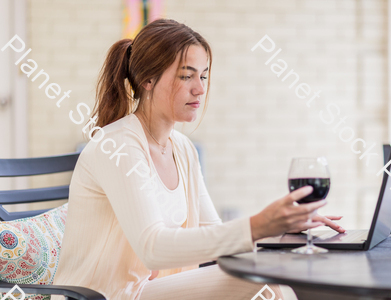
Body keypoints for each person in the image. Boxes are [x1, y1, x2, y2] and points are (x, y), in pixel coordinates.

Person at [50, 18, 345, 300]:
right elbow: (152, 248)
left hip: (152, 291)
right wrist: (259, 225)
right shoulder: (116, 145)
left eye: (203, 76)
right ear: (147, 79)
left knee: (269, 277)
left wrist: (278, 229)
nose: (200, 88)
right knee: (259, 281)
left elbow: (213, 236)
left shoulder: (183, 149)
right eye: (186, 75)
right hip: (105, 296)